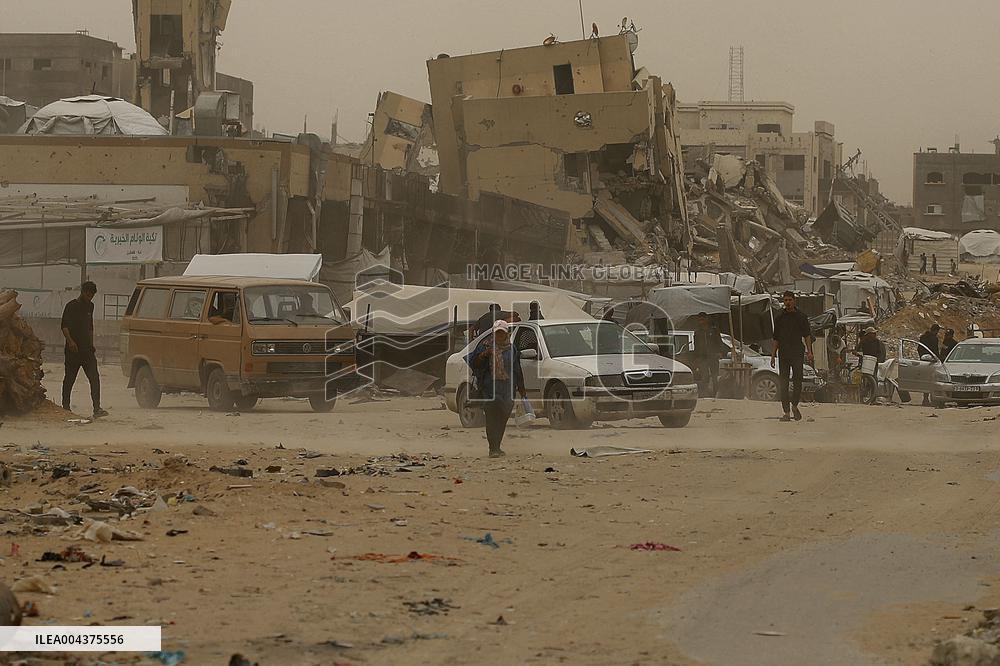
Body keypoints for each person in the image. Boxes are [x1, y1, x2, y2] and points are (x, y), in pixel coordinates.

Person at [466, 320, 526, 458]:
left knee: (503, 418)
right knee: (492, 418)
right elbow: (474, 364)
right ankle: (492, 448)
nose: (499, 336)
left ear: (506, 334)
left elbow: (516, 368)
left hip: (507, 389)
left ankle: (497, 445)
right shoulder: (484, 347)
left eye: (502, 333)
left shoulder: (512, 349)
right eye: (497, 333)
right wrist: (483, 355)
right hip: (489, 389)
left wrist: (522, 389)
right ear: (493, 333)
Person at [61, 281, 107, 417]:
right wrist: (70, 342)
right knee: (70, 378)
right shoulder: (71, 306)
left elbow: (90, 327)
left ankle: (97, 408)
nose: (90, 297)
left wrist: (91, 344)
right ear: (83, 292)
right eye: (88, 294)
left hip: (87, 350)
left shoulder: (90, 306)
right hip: (73, 351)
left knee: (94, 378)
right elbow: (64, 326)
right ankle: (65, 407)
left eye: (92, 295)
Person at [770, 291, 813, 422]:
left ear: (794, 301)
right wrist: (773, 355)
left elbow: (807, 336)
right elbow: (776, 338)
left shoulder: (801, 317)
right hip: (783, 354)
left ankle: (794, 405)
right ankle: (786, 412)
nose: (787, 302)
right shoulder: (779, 318)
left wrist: (810, 352)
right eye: (785, 300)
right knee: (783, 383)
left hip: (797, 353)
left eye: (790, 300)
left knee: (797, 380)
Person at [692, 312, 724, 397]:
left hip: (713, 356)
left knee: (715, 376)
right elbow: (696, 346)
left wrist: (719, 352)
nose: (701, 321)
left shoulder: (713, 330)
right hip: (702, 357)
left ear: (707, 319)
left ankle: (715, 394)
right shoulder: (697, 332)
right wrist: (696, 358)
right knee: (704, 377)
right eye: (699, 319)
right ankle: (705, 394)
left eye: (703, 319)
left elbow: (719, 342)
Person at [918, 323, 941, 406]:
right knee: (932, 381)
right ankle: (932, 399)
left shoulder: (923, 337)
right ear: (936, 331)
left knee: (925, 381)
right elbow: (935, 350)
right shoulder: (934, 338)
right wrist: (938, 360)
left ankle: (925, 399)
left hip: (923, 361)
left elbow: (919, 348)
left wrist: (921, 357)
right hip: (931, 362)